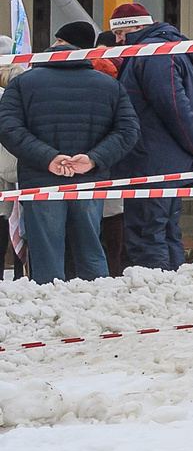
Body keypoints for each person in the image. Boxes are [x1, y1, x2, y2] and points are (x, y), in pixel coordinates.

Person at [0, 22, 137, 284]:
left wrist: (48, 158)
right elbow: (129, 131)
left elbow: (8, 128)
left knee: (46, 254)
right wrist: (93, 159)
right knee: (91, 248)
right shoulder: (109, 85)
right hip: (89, 180)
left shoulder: (23, 83)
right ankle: (98, 299)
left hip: (40, 180)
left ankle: (49, 302)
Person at [104, 1, 193, 270]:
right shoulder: (178, 50)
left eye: (120, 34)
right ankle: (174, 285)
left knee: (147, 235)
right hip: (173, 160)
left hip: (150, 161)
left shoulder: (151, 53)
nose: (117, 41)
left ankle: (156, 287)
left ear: (136, 27)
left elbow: (172, 104)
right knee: (168, 231)